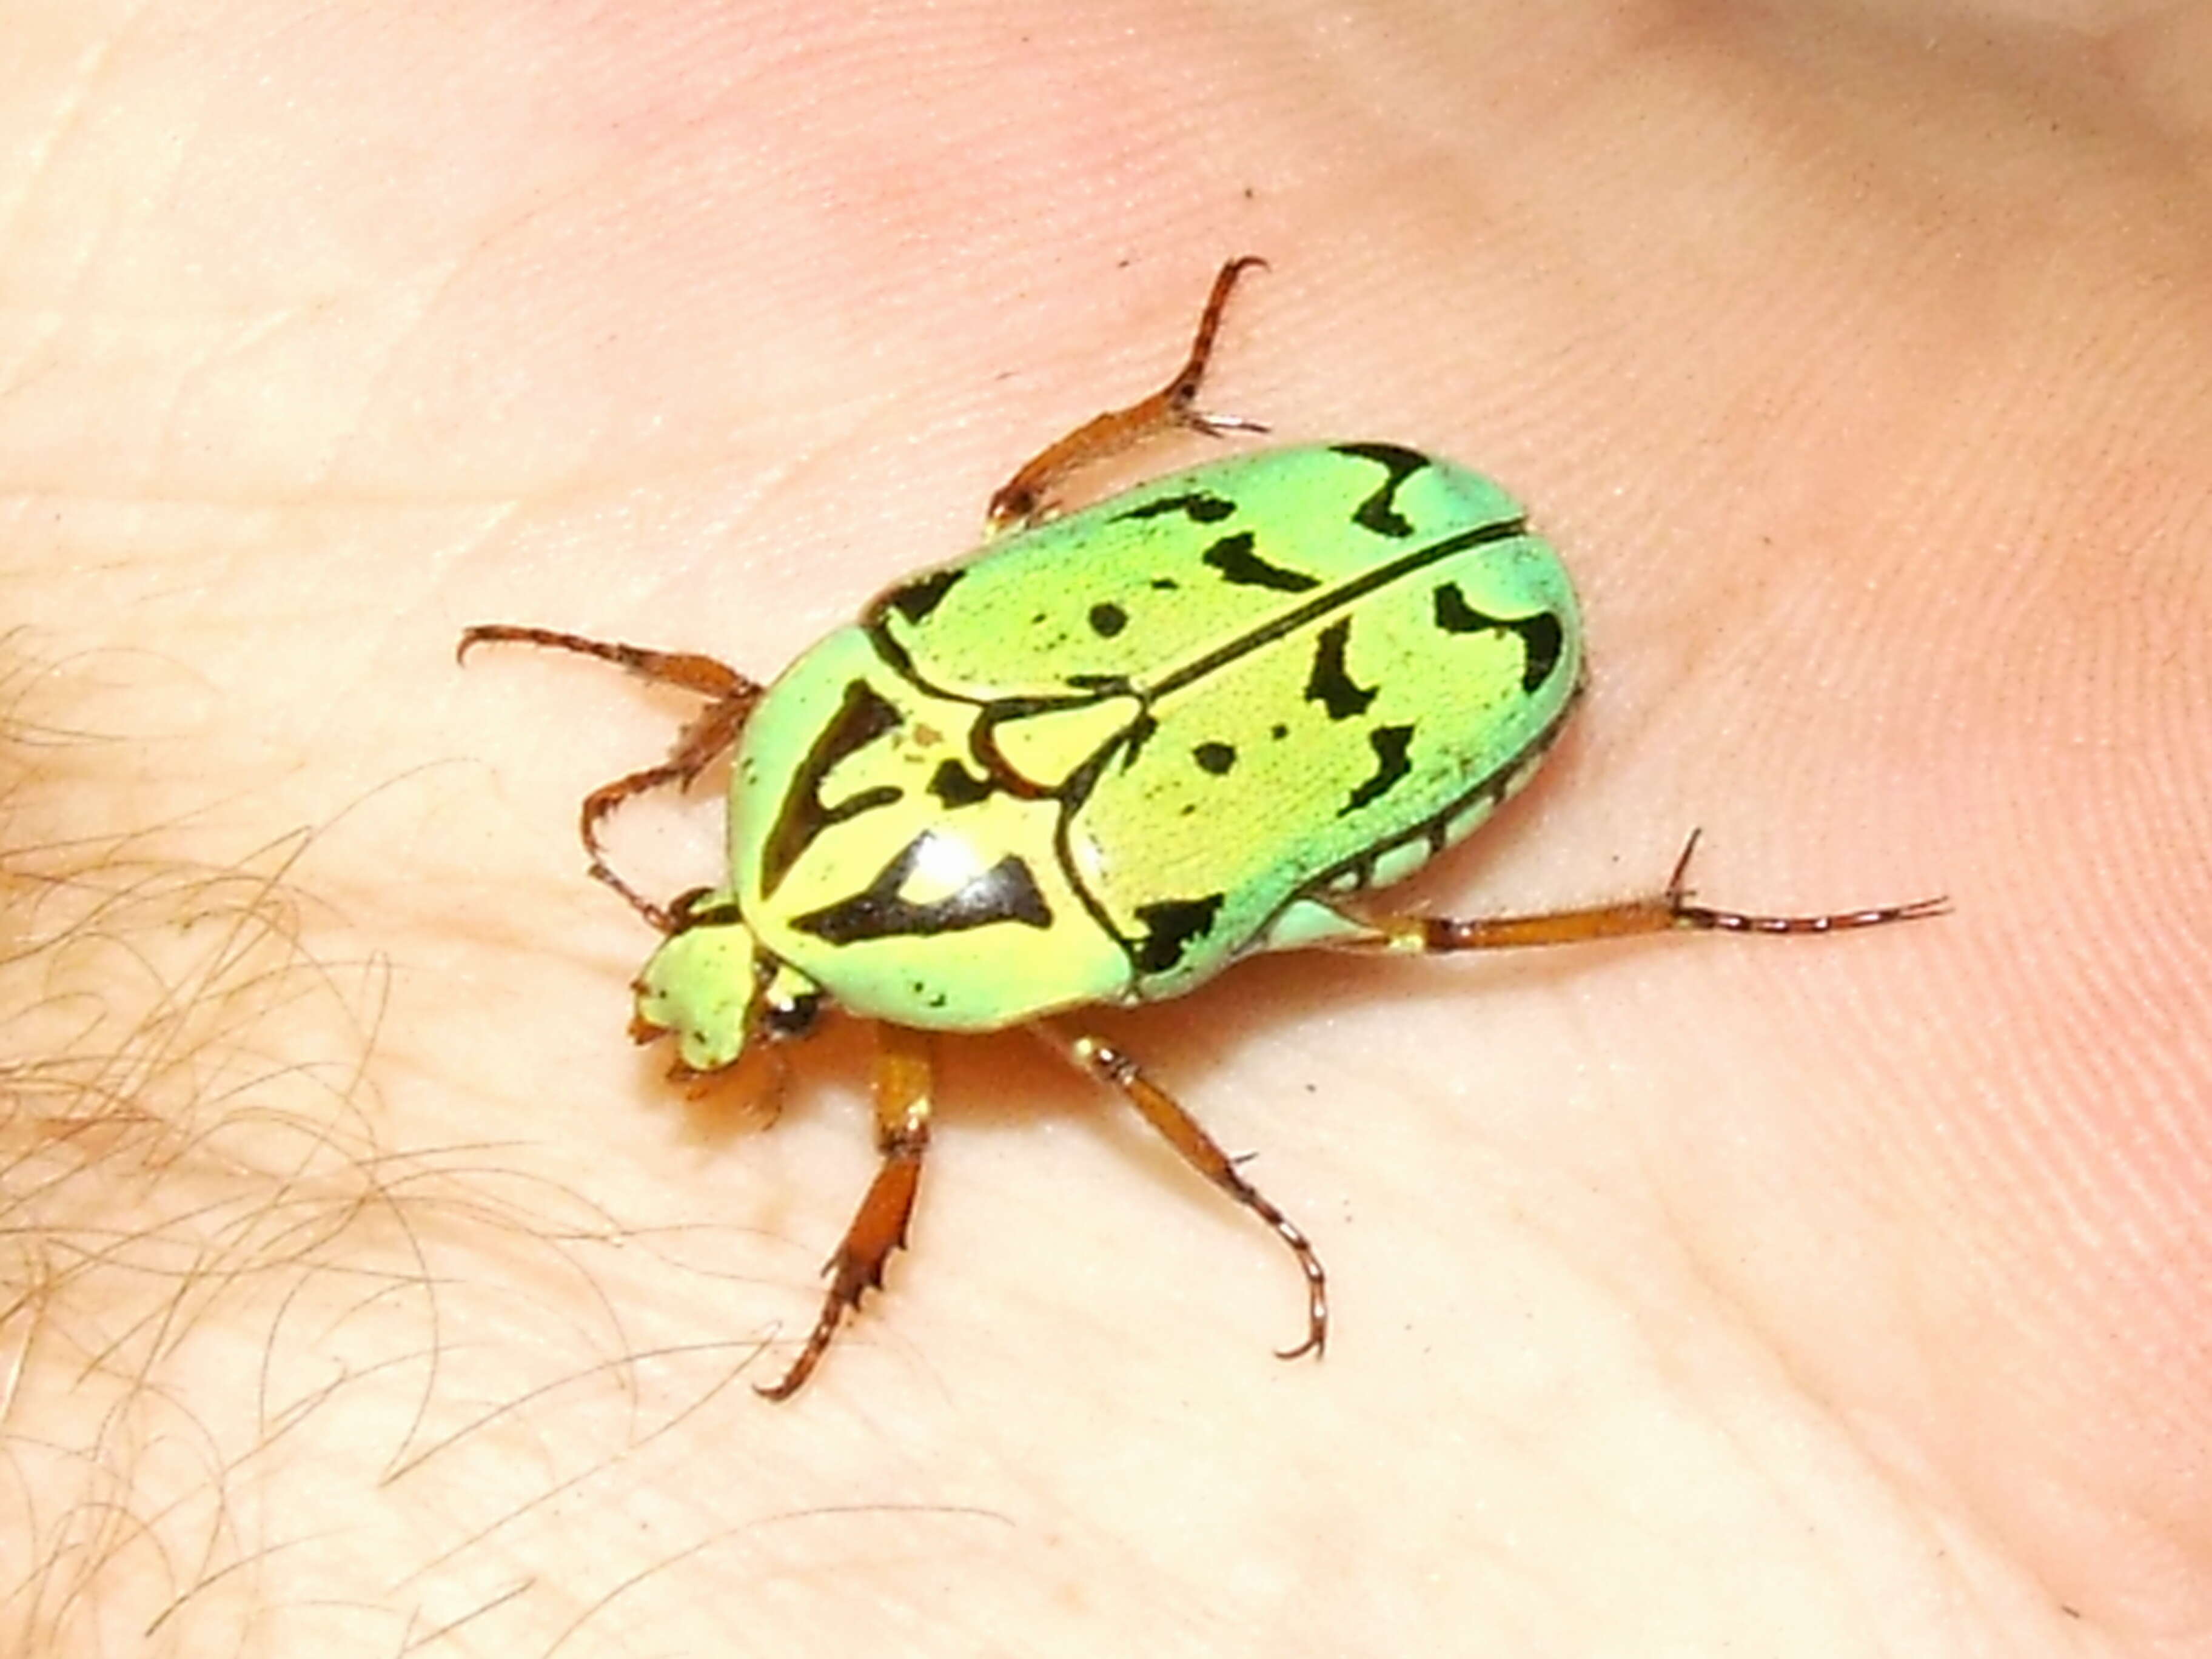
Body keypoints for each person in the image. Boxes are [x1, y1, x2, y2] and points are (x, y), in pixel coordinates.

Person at [6, 5, 2201, 1652]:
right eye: (741, 986)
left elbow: (902, 1008)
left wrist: (1220, 1199)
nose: (719, 1003)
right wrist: (687, 736)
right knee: (1137, 707)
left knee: (1376, 950)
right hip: (1375, 570)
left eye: (737, 973)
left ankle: (1692, 908)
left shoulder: (947, 1006)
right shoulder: (815, 769)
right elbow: (792, 695)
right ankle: (1684, 900)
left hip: (1414, 603)